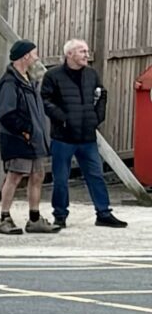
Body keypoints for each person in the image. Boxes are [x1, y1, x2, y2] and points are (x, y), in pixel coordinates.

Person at [40, 38, 126, 230]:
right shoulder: (53, 76)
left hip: (87, 136)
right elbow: (45, 100)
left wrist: (97, 117)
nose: (87, 55)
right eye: (82, 51)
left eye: (87, 51)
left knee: (96, 175)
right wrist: (62, 118)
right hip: (63, 137)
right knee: (61, 178)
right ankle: (60, 215)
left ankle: (103, 213)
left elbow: (102, 94)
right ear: (69, 54)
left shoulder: (91, 74)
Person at [0, 40, 50, 233]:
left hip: (33, 138)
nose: (36, 57)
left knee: (38, 175)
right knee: (15, 176)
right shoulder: (10, 82)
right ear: (25, 56)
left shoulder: (28, 79)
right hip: (19, 138)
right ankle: (4, 218)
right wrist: (25, 130)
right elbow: (6, 113)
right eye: (34, 54)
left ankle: (34, 218)